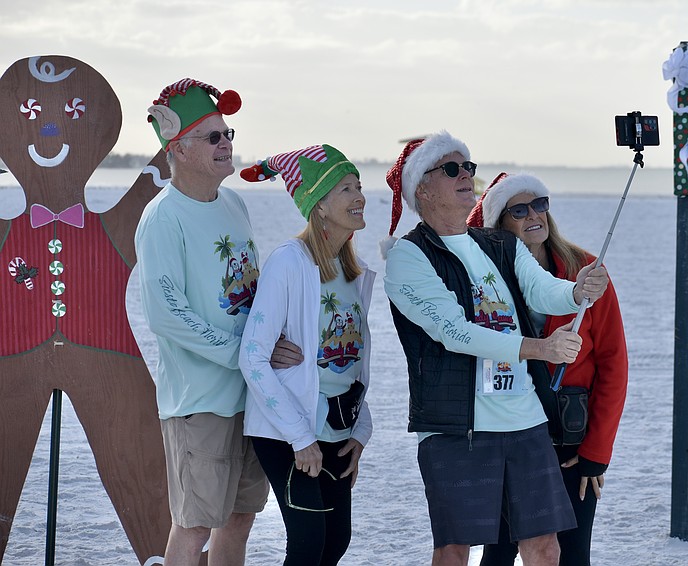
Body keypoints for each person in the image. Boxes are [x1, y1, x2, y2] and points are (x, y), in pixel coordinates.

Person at [382, 131, 610, 566]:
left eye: (469, 166)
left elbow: (543, 290)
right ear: (422, 189)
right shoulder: (408, 256)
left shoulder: (499, 243)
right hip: (456, 430)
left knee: (545, 548)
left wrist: (578, 290)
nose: (467, 174)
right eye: (452, 168)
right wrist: (538, 348)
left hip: (525, 421)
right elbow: (455, 332)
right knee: (454, 551)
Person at [135, 78, 300, 565]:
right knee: (195, 523)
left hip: (252, 392)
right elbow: (167, 317)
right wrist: (247, 354)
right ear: (177, 148)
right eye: (213, 137)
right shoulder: (162, 217)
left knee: (241, 516)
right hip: (200, 398)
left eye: (228, 134)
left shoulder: (234, 203)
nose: (226, 144)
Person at [468, 173, 629, 566]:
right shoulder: (486, 283)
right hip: (510, 439)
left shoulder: (586, 271)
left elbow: (613, 363)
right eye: (518, 210)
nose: (533, 215)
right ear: (499, 223)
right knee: (500, 553)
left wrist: (596, 452)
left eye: (540, 204)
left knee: (573, 556)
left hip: (572, 445)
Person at [238, 144, 375, 565]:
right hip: (287, 431)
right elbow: (254, 358)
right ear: (318, 207)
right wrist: (300, 437)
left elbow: (352, 362)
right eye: (345, 189)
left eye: (358, 185)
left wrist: (360, 430)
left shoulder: (353, 272)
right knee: (308, 540)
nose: (359, 197)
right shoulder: (289, 262)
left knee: (336, 541)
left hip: (338, 428)